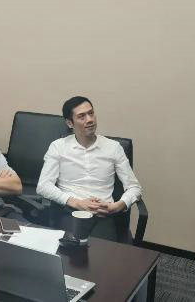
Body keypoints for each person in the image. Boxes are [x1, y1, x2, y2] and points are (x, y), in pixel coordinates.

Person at [36, 96, 143, 241]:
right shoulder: (58, 147)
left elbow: (135, 188)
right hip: (70, 212)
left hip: (102, 214)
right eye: (82, 116)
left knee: (101, 252)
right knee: (69, 248)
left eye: (91, 113)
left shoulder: (113, 147)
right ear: (70, 123)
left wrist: (118, 206)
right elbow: (43, 186)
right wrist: (76, 202)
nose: (90, 119)